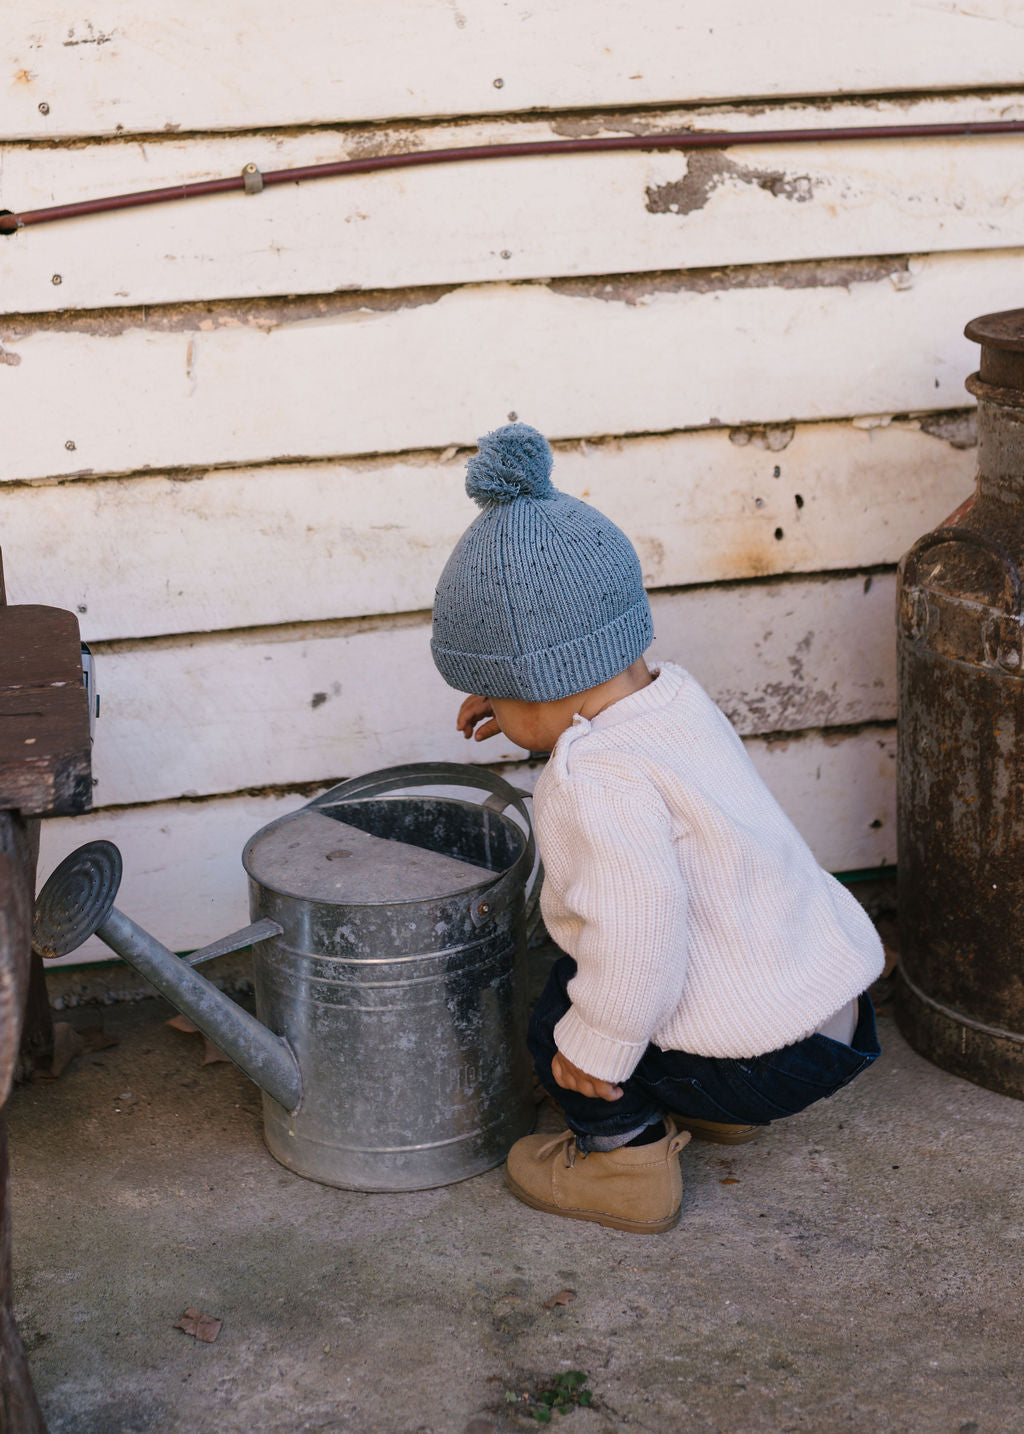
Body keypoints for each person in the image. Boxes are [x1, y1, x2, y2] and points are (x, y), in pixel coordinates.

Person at [431, 423, 884, 1234]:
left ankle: (624, 1165)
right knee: (633, 992)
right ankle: (715, 1103)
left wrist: (593, 1052)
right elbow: (562, 701)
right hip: (828, 1015)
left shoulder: (593, 778)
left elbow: (638, 937)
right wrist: (520, 703)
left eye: (493, 694)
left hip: (761, 1057)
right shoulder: (673, 700)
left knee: (564, 1019)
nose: (488, 711)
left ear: (538, 686)